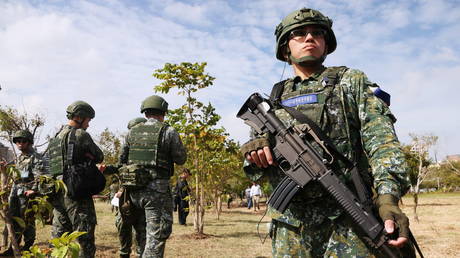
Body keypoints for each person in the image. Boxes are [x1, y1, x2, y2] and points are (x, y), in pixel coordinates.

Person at [241, 8, 412, 257]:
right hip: (291, 227)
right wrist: (254, 149)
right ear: (285, 47)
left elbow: (383, 143)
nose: (309, 37)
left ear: (326, 43)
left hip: (347, 221)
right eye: (299, 33)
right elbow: (256, 168)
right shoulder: (274, 99)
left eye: (317, 33)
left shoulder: (350, 82)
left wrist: (387, 197)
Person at [119, 95, 187, 257]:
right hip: (156, 193)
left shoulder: (131, 133)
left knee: (143, 233)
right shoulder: (168, 132)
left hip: (134, 191)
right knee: (156, 237)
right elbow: (181, 158)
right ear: (163, 112)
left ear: (145, 112)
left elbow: (122, 160)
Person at [47, 100, 104, 258]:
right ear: (80, 117)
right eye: (88, 120)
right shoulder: (80, 134)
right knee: (84, 238)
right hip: (76, 192)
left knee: (59, 239)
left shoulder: (55, 138)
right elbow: (99, 156)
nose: (88, 125)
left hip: (58, 192)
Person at [0, 130, 47, 256]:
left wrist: (34, 190)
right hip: (15, 193)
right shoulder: (20, 157)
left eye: (23, 141)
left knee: (27, 220)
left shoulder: (36, 158)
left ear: (29, 142)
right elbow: (19, 174)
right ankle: (13, 246)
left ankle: (28, 246)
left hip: (27, 194)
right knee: (14, 219)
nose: (20, 144)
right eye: (18, 141)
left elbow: (40, 176)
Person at [114, 117, 147, 258]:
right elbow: (121, 166)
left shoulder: (150, 147)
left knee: (141, 228)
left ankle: (138, 253)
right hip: (127, 192)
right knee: (123, 224)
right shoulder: (128, 144)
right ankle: (125, 253)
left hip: (142, 193)